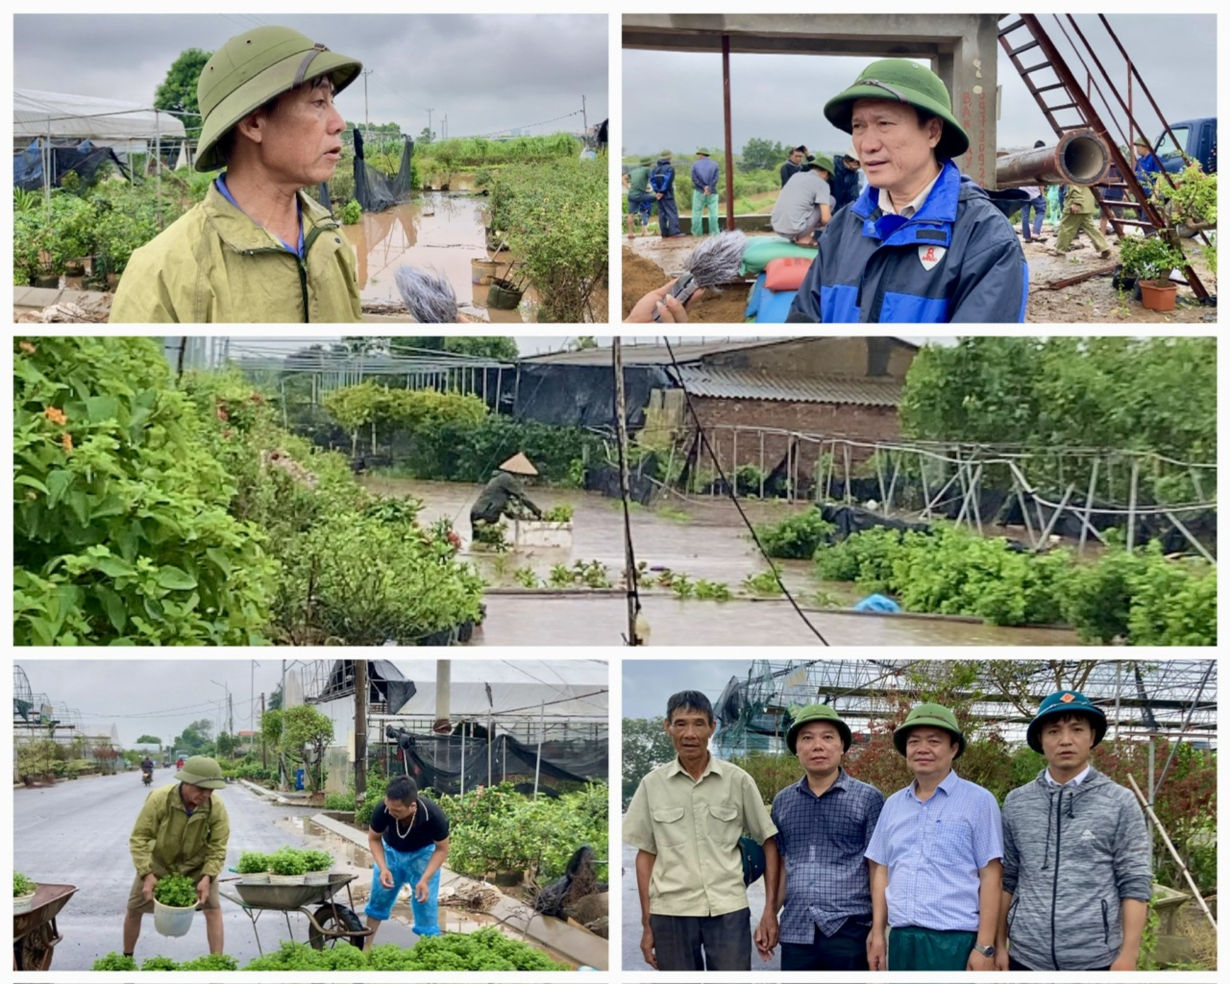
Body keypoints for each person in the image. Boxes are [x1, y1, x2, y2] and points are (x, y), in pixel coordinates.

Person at [110, 26, 363, 323]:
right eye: (319, 102)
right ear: (254, 123)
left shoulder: (330, 240)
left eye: (332, 101)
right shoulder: (160, 275)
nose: (339, 123)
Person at [787, 59, 1027, 323]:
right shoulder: (843, 227)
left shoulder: (985, 238)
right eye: (858, 126)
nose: (866, 144)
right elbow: (803, 326)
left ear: (932, 132)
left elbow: (974, 357)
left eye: (885, 124)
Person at [624, 690, 779, 971]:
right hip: (671, 912)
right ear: (667, 727)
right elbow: (645, 856)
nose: (690, 733)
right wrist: (647, 924)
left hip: (727, 909)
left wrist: (769, 911)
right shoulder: (652, 785)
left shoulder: (737, 781)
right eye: (680, 723)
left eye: (698, 723)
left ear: (712, 728)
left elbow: (768, 841)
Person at [996, 691, 1151, 972]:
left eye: (1077, 729)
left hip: (1096, 960)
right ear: (1041, 740)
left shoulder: (1119, 802)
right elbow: (1008, 878)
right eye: (1054, 731)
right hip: (1025, 958)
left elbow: (1135, 881)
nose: (1065, 740)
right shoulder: (1017, 802)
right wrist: (999, 944)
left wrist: (1128, 956)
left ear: (1092, 736)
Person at [865, 703, 1003, 972]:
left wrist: (984, 946)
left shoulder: (978, 801)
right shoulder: (893, 805)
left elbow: (991, 875)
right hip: (903, 939)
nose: (922, 749)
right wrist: (879, 932)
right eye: (914, 741)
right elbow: (882, 870)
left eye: (934, 741)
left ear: (953, 748)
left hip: (954, 942)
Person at [761, 705, 885, 971]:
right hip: (797, 930)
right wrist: (769, 913)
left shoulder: (868, 799)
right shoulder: (783, 802)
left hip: (850, 929)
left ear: (842, 746)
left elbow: (878, 868)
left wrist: (878, 929)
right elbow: (784, 863)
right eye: (807, 738)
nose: (818, 746)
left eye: (828, 737)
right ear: (796, 748)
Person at [124, 756, 230, 958]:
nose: (206, 794)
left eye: (211, 790)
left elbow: (218, 846)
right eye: (201, 788)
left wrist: (208, 877)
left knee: (213, 909)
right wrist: (146, 873)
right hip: (158, 865)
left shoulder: (215, 807)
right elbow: (140, 838)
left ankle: (218, 964)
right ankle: (126, 959)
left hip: (197, 868)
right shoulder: (159, 799)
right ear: (186, 782)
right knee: (134, 908)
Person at [364, 775, 450, 946]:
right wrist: (383, 868)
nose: (390, 812)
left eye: (396, 810)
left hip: (423, 855)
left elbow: (442, 849)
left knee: (425, 903)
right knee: (379, 897)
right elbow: (374, 839)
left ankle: (429, 952)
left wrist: (425, 879)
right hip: (391, 853)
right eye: (389, 807)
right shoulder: (383, 809)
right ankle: (366, 947)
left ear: (412, 806)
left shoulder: (433, 815)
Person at [470, 453, 542, 538]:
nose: (523, 479)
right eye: (523, 476)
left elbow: (509, 511)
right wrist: (536, 510)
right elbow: (522, 497)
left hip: (479, 513)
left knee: (480, 543)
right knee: (485, 541)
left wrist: (524, 517)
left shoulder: (500, 479)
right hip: (484, 514)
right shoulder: (507, 479)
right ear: (518, 473)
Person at [770, 157, 836, 246]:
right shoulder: (822, 184)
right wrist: (835, 228)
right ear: (825, 172)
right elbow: (825, 219)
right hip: (796, 229)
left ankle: (801, 234)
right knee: (831, 200)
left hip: (777, 227)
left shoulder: (796, 176)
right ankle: (804, 238)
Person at [1051, 182, 1112, 258]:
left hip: (1076, 204)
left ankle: (1059, 250)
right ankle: (1104, 247)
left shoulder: (1074, 172)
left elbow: (1074, 184)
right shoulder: (1088, 173)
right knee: (1091, 228)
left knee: (1066, 227)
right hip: (1086, 204)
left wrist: (1077, 202)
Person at [650, 150, 681, 238]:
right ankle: (675, 232)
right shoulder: (669, 168)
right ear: (669, 157)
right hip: (667, 194)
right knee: (672, 212)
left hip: (658, 196)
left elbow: (652, 181)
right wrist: (662, 192)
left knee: (662, 214)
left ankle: (664, 233)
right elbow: (667, 181)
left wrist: (658, 192)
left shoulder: (654, 169)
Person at [690, 149, 721, 236]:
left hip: (699, 191)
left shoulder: (695, 164)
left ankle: (696, 233)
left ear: (701, 154)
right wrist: (709, 187)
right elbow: (716, 178)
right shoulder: (715, 165)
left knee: (697, 212)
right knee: (713, 212)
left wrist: (703, 187)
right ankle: (714, 233)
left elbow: (694, 178)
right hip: (712, 192)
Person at [625, 157, 655, 237]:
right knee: (658, 198)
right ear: (649, 164)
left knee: (630, 214)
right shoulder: (647, 169)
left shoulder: (634, 170)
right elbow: (653, 179)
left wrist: (628, 188)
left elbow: (623, 178)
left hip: (631, 195)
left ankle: (630, 233)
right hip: (640, 195)